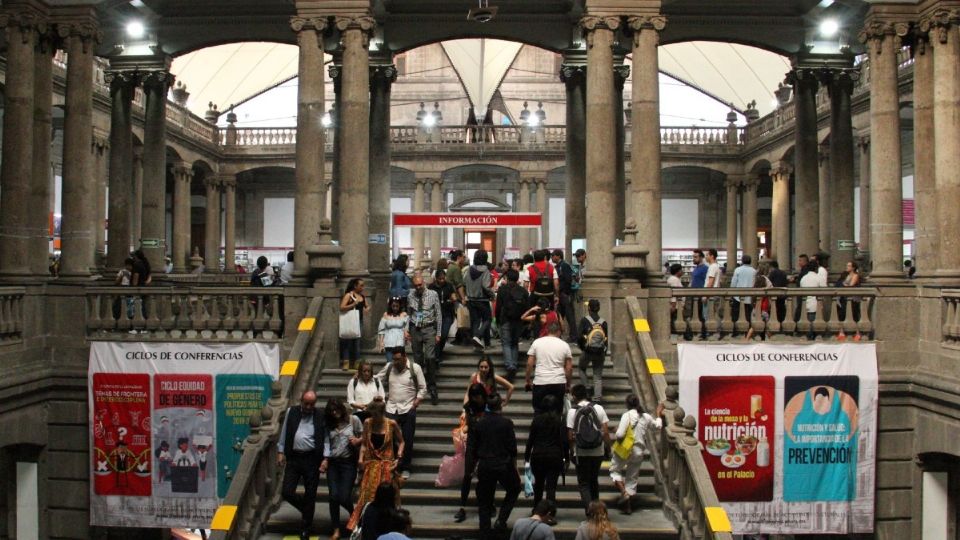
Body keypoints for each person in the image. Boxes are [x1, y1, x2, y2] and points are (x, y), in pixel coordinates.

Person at [347, 399, 404, 533]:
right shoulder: (368, 423)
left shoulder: (391, 424)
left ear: (382, 413)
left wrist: (399, 457)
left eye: (376, 415)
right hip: (371, 465)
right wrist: (360, 459)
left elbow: (401, 442)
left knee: (388, 497)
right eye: (372, 414)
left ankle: (389, 525)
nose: (374, 418)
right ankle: (366, 524)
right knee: (367, 496)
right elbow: (364, 444)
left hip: (387, 465)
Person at [469, 394, 521, 539]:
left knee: (484, 500)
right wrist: (515, 466)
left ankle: (484, 532)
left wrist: (472, 467)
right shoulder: (506, 423)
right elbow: (513, 448)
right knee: (515, 488)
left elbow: (473, 449)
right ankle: (501, 519)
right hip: (503, 463)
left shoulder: (479, 424)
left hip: (485, 464)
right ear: (500, 406)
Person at [278, 391, 326, 540]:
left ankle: (306, 528)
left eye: (312, 404)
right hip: (294, 458)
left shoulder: (320, 415)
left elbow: (326, 438)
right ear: (301, 400)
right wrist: (280, 451)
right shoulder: (291, 412)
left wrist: (325, 458)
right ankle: (307, 509)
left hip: (312, 458)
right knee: (287, 491)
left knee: (310, 493)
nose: (308, 407)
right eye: (306, 403)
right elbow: (284, 431)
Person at [610, 395, 664, 515]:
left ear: (627, 404)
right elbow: (657, 427)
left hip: (625, 450)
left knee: (614, 471)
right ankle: (628, 507)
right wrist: (659, 414)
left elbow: (619, 435)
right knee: (632, 478)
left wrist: (616, 430)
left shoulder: (627, 415)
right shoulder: (646, 416)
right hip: (638, 452)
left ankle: (624, 493)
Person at [376, 348, 426, 479]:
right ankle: (392, 465)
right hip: (391, 408)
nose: (395, 362)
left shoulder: (415, 368)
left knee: (407, 439)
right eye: (394, 359)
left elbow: (422, 388)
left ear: (405, 357)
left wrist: (416, 403)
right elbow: (376, 379)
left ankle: (406, 466)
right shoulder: (389, 367)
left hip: (408, 408)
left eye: (398, 359)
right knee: (388, 438)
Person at [321, 397, 363, 540]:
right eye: (332, 411)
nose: (335, 413)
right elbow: (326, 442)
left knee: (344, 496)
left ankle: (356, 517)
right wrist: (325, 460)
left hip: (348, 463)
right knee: (333, 497)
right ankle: (336, 529)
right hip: (333, 463)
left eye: (337, 409)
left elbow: (365, 435)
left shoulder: (353, 421)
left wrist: (358, 441)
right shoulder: (328, 425)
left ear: (341, 408)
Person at [566, 384, 610, 512]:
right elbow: (605, 432)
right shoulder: (599, 408)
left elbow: (570, 436)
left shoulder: (572, 411)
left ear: (574, 396)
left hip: (581, 452)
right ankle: (597, 511)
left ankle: (590, 512)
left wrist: (571, 451)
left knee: (584, 483)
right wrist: (608, 448)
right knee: (594, 480)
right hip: (598, 451)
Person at [524, 394, 568, 511]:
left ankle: (537, 510)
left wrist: (527, 456)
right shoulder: (559, 420)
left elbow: (531, 440)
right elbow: (564, 441)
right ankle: (550, 512)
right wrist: (567, 458)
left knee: (538, 485)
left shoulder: (537, 420)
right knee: (551, 487)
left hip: (538, 455)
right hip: (554, 456)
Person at [454, 383, 487, 523]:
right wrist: (463, 431)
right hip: (473, 444)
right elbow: (468, 423)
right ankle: (462, 507)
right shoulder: (469, 407)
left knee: (485, 477)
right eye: (473, 397)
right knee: (467, 476)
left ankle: (487, 505)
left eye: (478, 396)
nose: (476, 400)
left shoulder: (488, 405)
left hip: (486, 444)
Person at [407, 275, 442, 405]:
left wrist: (438, 333)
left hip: (429, 328)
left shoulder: (433, 294)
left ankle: (432, 385)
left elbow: (438, 314)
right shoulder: (411, 295)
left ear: (424, 283)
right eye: (416, 285)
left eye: (420, 285)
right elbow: (409, 313)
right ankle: (420, 385)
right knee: (417, 359)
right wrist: (407, 329)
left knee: (430, 357)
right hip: (415, 328)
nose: (418, 287)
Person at [525, 322, 573, 414]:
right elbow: (569, 368)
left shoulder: (537, 342)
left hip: (540, 381)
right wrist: (568, 384)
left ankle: (540, 427)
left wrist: (528, 380)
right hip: (558, 381)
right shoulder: (564, 345)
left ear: (547, 330)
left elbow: (529, 364)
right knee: (557, 411)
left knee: (539, 411)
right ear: (559, 332)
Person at [495, 268, 529, 381]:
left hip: (506, 319)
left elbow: (498, 306)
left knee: (506, 343)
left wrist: (497, 319)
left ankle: (510, 366)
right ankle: (514, 364)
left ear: (507, 278)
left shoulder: (502, 289)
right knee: (514, 342)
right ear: (518, 278)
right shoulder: (523, 291)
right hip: (519, 319)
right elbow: (527, 306)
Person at [463, 249, 495, 350]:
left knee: (475, 322)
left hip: (471, 300)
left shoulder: (469, 269)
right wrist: (492, 294)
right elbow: (485, 286)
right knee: (487, 319)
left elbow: (464, 282)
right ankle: (478, 336)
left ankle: (483, 343)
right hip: (482, 300)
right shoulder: (485, 270)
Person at [577, 299, 608, 401]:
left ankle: (587, 388)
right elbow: (606, 339)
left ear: (589, 308)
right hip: (600, 352)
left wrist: (583, 348)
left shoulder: (584, 320)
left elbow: (579, 336)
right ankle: (597, 396)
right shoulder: (603, 322)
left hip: (588, 351)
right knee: (597, 375)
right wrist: (604, 351)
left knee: (581, 368)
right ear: (598, 308)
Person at [340, 278, 370, 370]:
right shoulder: (349, 295)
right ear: (355, 286)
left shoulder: (362, 297)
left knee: (357, 343)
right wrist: (353, 304)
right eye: (361, 285)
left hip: (358, 322)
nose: (362, 287)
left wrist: (367, 309)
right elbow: (342, 307)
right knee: (347, 341)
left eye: (363, 285)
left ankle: (356, 363)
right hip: (349, 321)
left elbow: (367, 305)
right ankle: (346, 362)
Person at [429, 269, 458, 364]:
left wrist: (453, 298)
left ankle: (438, 353)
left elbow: (453, 296)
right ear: (436, 278)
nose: (442, 280)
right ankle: (437, 355)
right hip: (435, 314)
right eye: (440, 279)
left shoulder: (449, 286)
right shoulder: (431, 287)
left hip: (447, 313)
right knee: (438, 335)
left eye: (443, 278)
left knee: (444, 334)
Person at [551, 249, 576, 342]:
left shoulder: (564, 266)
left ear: (558, 256)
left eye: (553, 255)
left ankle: (573, 336)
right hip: (559, 294)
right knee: (559, 315)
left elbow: (568, 280)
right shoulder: (557, 266)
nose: (552, 258)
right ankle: (558, 334)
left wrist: (564, 291)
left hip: (564, 294)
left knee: (569, 316)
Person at [729, 255, 757, 334]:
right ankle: (747, 331)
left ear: (742, 261)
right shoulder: (754, 271)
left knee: (736, 315)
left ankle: (736, 331)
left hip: (738, 296)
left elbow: (734, 283)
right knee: (748, 315)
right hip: (749, 297)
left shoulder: (738, 270)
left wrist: (731, 293)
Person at [377, 297, 410, 364]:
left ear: (400, 306)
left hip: (400, 342)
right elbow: (381, 330)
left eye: (397, 306)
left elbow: (406, 328)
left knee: (400, 362)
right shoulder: (386, 314)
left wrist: (406, 334)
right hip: (388, 342)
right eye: (393, 306)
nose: (395, 308)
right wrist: (381, 343)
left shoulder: (404, 315)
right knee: (389, 363)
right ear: (390, 306)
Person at [799, 260, 826, 340]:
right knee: (817, 328)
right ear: (816, 268)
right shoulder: (818, 278)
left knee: (807, 327)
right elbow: (825, 290)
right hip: (816, 304)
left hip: (805, 304)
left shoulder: (803, 278)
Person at [837, 260, 863, 341]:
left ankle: (857, 333)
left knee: (854, 315)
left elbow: (851, 285)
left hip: (853, 298)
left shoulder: (855, 275)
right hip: (845, 297)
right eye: (847, 265)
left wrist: (844, 284)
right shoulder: (846, 275)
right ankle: (841, 332)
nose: (847, 267)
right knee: (841, 314)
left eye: (849, 266)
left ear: (853, 267)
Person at [767, 259, 789, 324]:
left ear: (771, 267)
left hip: (774, 295)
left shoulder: (772, 273)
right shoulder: (783, 273)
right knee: (781, 311)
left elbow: (769, 283)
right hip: (782, 295)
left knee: (774, 311)